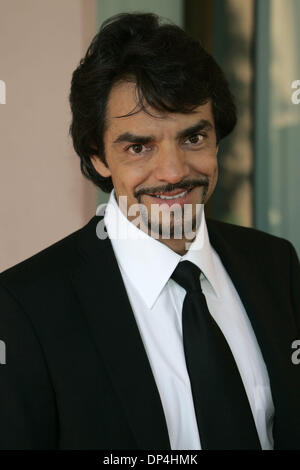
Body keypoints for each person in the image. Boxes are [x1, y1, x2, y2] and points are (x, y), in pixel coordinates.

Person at [0, 12, 299, 451]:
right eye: (139, 147)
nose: (174, 171)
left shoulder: (275, 263)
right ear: (98, 157)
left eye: (193, 138)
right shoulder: (25, 306)